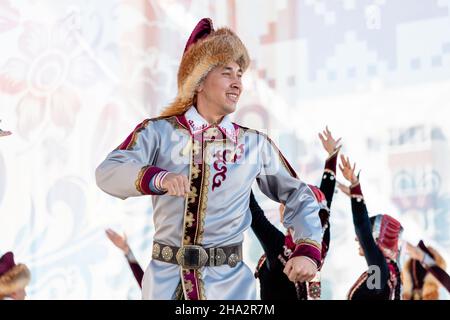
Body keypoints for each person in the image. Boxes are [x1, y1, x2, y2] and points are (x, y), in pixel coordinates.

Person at [95, 18, 323, 300]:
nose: (238, 83)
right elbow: (108, 171)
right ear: (199, 80)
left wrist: (307, 249)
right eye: (228, 72)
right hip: (165, 286)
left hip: (231, 290)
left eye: (240, 74)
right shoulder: (158, 133)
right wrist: (158, 177)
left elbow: (299, 194)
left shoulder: (254, 145)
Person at [252, 127, 340, 299]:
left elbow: (254, 213)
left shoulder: (278, 247)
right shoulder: (319, 244)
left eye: (287, 202)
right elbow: (323, 205)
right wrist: (332, 157)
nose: (282, 205)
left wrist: (235, 171)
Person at [338, 155, 403, 300]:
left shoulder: (380, 271)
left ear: (376, 239)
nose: (357, 238)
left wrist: (355, 185)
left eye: (363, 236)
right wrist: (353, 194)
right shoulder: (388, 271)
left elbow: (362, 227)